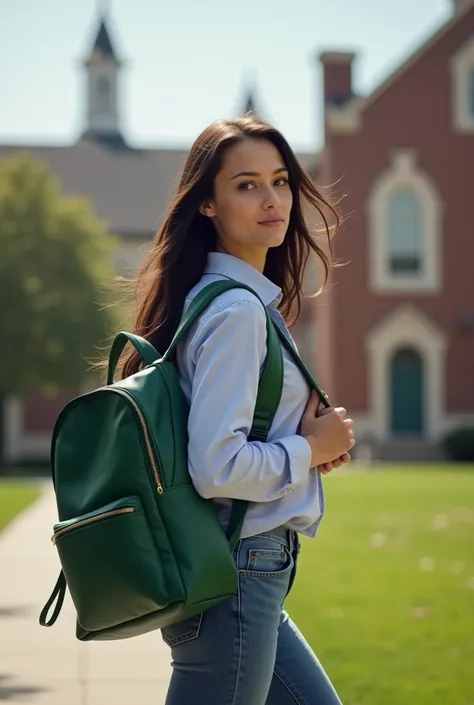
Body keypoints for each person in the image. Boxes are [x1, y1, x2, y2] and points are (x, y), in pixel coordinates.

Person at [119, 115, 355, 705]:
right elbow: (216, 467)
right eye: (247, 185)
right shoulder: (238, 312)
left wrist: (296, 449)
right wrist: (311, 449)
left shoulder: (221, 298)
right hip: (239, 569)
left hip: (244, 569)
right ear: (207, 205)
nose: (272, 199)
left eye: (280, 181)